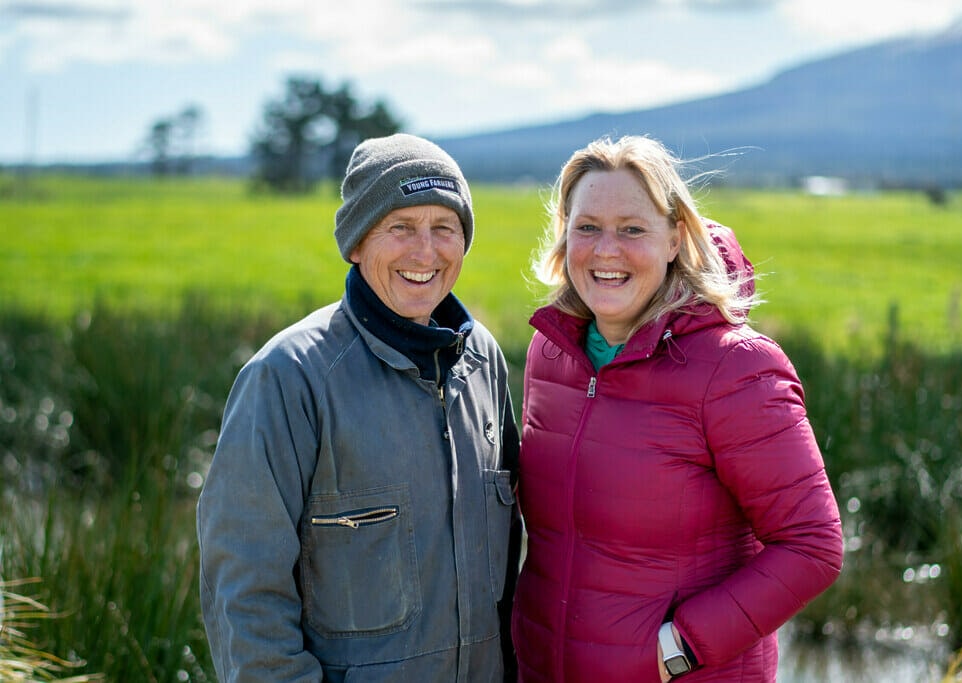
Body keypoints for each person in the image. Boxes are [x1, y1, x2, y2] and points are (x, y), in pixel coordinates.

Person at [510, 135, 843, 682]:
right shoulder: (552, 352)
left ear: (674, 239)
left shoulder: (734, 368)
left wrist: (678, 649)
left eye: (632, 229)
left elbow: (813, 545)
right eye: (587, 226)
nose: (606, 250)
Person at [197, 133, 521, 682]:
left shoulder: (483, 360)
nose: (425, 252)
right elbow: (245, 596)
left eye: (444, 228)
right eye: (400, 227)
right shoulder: (287, 377)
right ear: (356, 243)